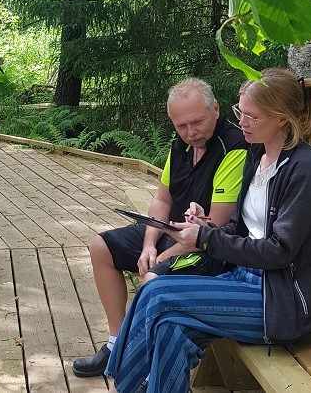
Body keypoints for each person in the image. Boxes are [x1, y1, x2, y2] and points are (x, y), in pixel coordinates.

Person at [104, 68, 311, 393]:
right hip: (242, 280)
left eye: (252, 117)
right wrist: (205, 224)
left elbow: (278, 252)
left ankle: (125, 385)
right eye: (239, 113)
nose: (242, 122)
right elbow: (237, 229)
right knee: (169, 327)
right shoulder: (257, 156)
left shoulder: (306, 170)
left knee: (157, 293)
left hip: (278, 300)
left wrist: (204, 238)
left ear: (282, 119)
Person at [72, 78, 248, 378]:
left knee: (153, 280)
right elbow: (161, 199)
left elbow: (215, 228)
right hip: (171, 232)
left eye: (197, 122)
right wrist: (149, 245)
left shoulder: (234, 148)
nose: (191, 133)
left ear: (216, 109)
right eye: (181, 126)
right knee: (101, 247)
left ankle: (146, 368)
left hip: (207, 248)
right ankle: (116, 344)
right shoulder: (180, 145)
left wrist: (162, 259)